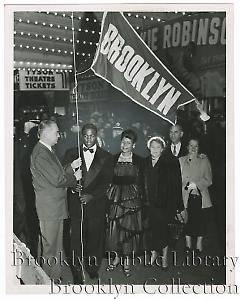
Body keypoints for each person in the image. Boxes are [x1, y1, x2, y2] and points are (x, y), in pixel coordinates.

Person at [30, 120, 81, 281]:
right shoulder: (40, 153)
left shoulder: (47, 150)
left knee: (56, 245)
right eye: (56, 132)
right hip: (49, 208)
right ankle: (46, 281)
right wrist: (75, 177)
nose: (59, 135)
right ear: (46, 133)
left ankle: (54, 277)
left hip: (55, 207)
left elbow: (56, 173)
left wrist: (70, 167)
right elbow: (57, 180)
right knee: (50, 247)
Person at [63, 123, 113, 283]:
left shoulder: (106, 156)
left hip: (96, 205)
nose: (88, 139)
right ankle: (77, 272)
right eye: (85, 136)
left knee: (94, 239)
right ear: (82, 136)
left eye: (92, 136)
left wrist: (91, 195)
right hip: (76, 205)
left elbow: (107, 183)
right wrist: (72, 187)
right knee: (76, 241)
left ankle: (92, 268)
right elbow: (64, 177)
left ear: (96, 136)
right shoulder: (71, 153)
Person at [105, 129, 145, 277]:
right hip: (115, 198)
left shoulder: (140, 160)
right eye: (123, 142)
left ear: (133, 145)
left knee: (128, 230)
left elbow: (143, 182)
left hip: (132, 200)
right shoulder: (113, 158)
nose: (125, 145)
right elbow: (108, 179)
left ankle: (126, 261)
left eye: (128, 142)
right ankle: (116, 258)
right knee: (114, 229)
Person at [144, 137, 185, 270]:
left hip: (164, 205)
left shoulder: (170, 162)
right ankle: (154, 253)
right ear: (149, 148)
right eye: (152, 147)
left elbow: (176, 185)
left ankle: (165, 256)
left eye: (157, 147)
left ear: (162, 149)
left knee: (163, 230)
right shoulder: (145, 162)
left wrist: (179, 206)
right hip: (149, 204)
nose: (154, 150)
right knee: (151, 230)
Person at [179, 137, 212, 255]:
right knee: (187, 219)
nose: (193, 148)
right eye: (191, 145)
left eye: (196, 146)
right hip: (185, 195)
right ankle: (188, 244)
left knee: (200, 221)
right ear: (187, 146)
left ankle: (199, 243)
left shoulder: (204, 160)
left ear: (199, 148)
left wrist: (196, 185)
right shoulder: (181, 160)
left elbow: (209, 180)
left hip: (200, 196)